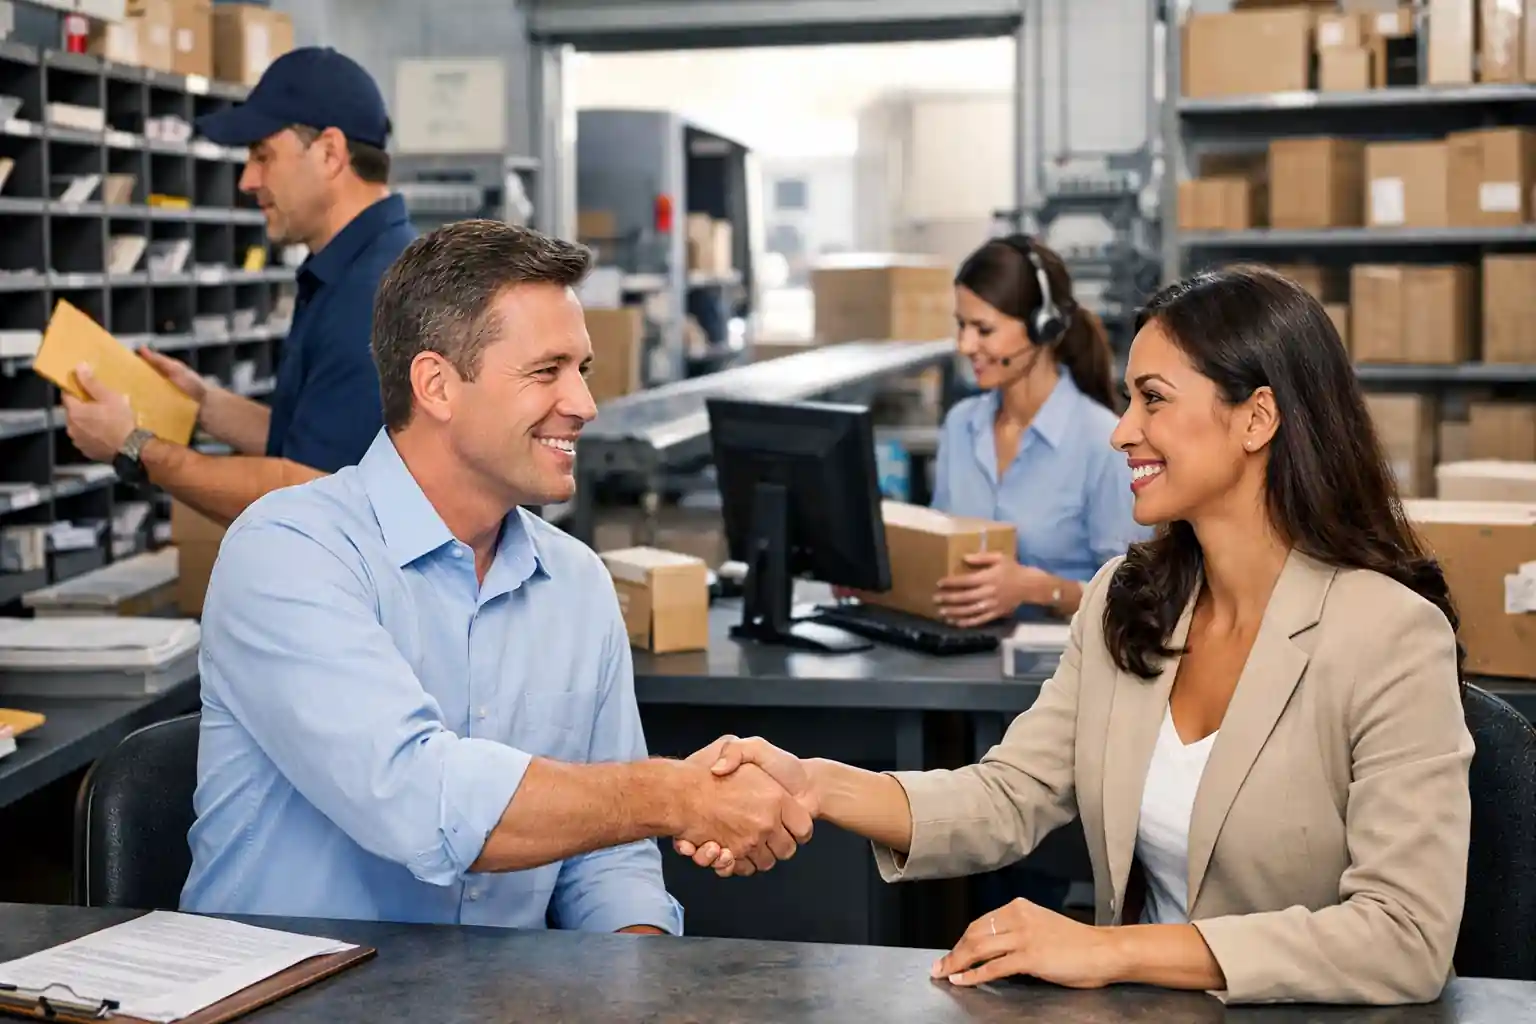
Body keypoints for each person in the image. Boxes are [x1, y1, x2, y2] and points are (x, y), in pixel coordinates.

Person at [680, 265, 1473, 1005]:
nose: (1122, 432)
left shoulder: (1389, 636)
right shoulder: (1128, 601)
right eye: (1129, 400)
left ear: (1256, 418)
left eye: (1153, 399)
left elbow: (1403, 937)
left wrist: (1112, 950)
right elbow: (1007, 796)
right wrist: (814, 784)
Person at [181, 220, 812, 932]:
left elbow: (609, 864)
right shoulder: (290, 551)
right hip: (293, 986)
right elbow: (416, 800)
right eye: (547, 372)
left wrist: (641, 974)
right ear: (437, 386)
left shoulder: (576, 583)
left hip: (503, 990)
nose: (584, 404)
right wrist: (677, 794)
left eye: (582, 370)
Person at [62, 47, 416, 525]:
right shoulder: (351, 268)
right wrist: (202, 404)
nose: (247, 180)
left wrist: (134, 446)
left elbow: (308, 493)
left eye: (262, 155)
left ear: (330, 153)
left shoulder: (373, 293)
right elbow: (321, 442)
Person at [927, 235, 1149, 627]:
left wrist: (1038, 589)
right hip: (964, 649)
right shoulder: (961, 425)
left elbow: (1137, 598)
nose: (965, 345)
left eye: (983, 329)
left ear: (1042, 327)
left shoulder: (1104, 443)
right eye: (961, 325)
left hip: (1063, 657)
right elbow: (939, 549)